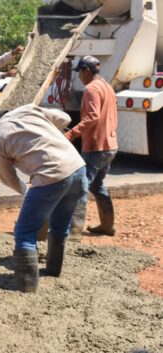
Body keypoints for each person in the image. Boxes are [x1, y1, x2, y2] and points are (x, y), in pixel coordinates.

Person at [0, 104, 87, 292]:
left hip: (51, 176)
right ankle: (53, 271)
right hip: (77, 168)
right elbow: (65, 119)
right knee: (59, 226)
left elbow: (6, 177)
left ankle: (27, 287)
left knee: (24, 232)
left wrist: (25, 190)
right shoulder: (27, 109)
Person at [65, 56, 118, 241]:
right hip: (110, 145)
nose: (79, 76)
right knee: (97, 185)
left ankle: (74, 232)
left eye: (80, 72)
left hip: (96, 145)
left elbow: (93, 116)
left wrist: (71, 134)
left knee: (80, 186)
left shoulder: (91, 88)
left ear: (86, 70)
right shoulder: (107, 86)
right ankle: (107, 225)